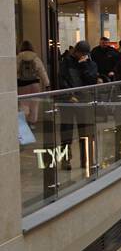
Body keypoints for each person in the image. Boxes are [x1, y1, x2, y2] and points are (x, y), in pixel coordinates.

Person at [59, 41, 100, 169]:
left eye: (84, 54)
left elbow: (91, 80)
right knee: (66, 132)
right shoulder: (66, 62)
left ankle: (87, 159)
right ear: (75, 51)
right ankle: (66, 160)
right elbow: (62, 79)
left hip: (84, 101)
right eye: (79, 53)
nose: (81, 56)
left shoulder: (91, 64)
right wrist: (69, 95)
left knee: (86, 131)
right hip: (69, 101)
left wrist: (83, 66)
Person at [17, 40, 50, 123]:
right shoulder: (36, 58)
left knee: (24, 104)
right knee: (34, 105)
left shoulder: (18, 58)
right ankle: (32, 122)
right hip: (35, 85)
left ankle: (24, 123)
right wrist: (47, 84)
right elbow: (42, 71)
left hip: (22, 85)